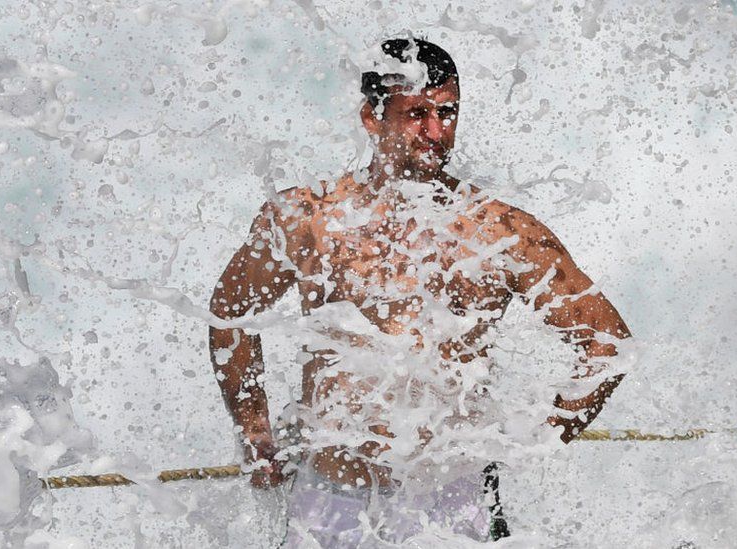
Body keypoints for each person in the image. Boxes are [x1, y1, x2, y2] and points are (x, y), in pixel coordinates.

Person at [208, 37, 631, 546]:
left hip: (450, 506)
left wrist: (534, 443)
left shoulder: (497, 232)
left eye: (447, 114)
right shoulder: (310, 219)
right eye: (418, 115)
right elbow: (230, 312)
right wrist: (255, 433)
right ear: (372, 116)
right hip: (329, 499)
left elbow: (607, 343)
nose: (436, 133)